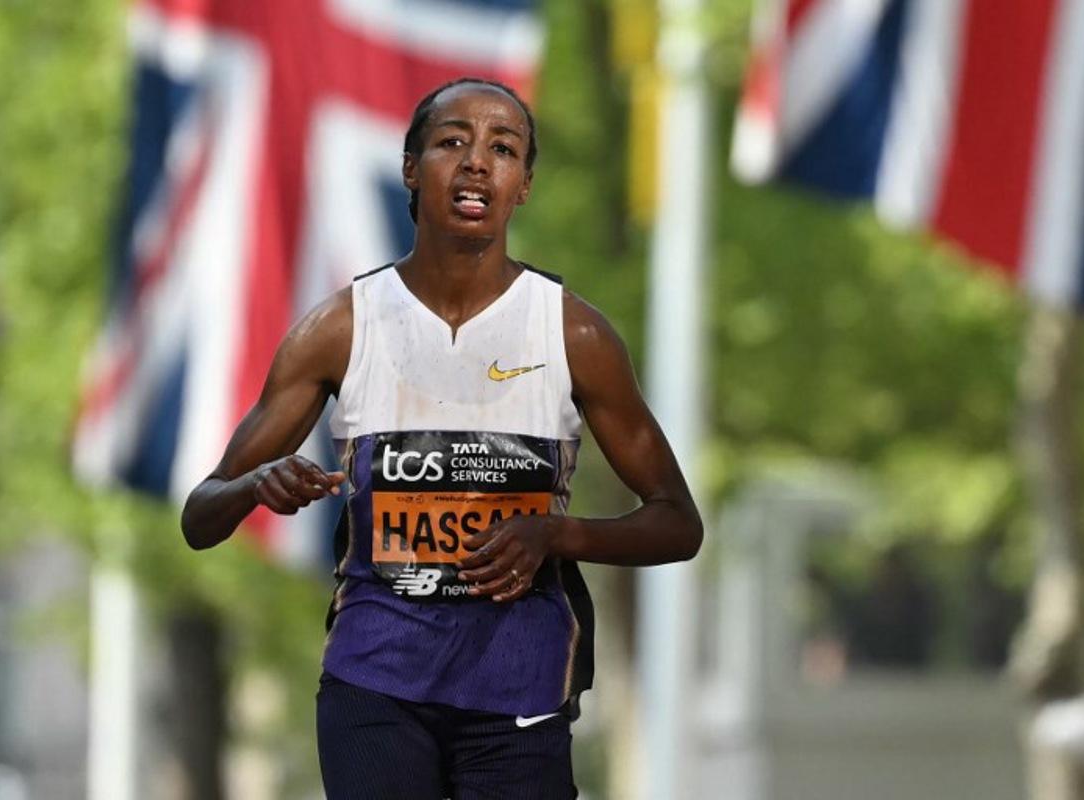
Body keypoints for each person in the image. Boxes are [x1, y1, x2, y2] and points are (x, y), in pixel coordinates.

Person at [181, 77, 703, 800]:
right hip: (376, 681)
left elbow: (678, 523)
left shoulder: (572, 333)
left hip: (519, 679)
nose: (477, 163)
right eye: (453, 142)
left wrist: (554, 536)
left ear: (523, 185)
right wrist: (253, 485)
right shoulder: (341, 328)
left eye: (504, 149)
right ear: (409, 167)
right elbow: (200, 516)